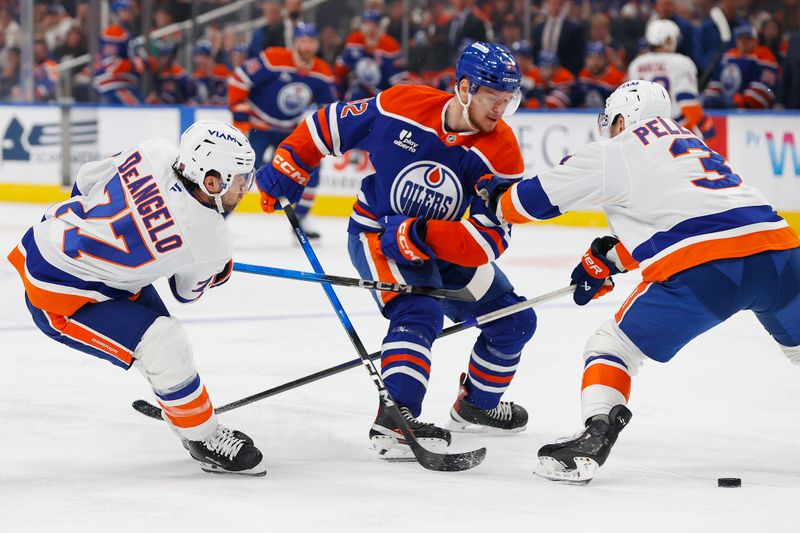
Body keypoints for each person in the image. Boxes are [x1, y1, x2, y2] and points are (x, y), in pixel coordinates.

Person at [478, 80, 800, 484]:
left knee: (612, 346)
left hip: (710, 271)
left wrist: (497, 199)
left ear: (620, 118)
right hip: (783, 255)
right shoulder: (692, 142)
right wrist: (610, 259)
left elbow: (531, 203)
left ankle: (595, 437)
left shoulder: (619, 148)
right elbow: (691, 219)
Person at [255, 42, 535, 460]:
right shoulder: (402, 104)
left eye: (507, 101)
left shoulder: (502, 151)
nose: (500, 110)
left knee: (513, 321)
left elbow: (490, 241)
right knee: (419, 312)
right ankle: (396, 419)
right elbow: (327, 126)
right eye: (493, 98)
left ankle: (477, 403)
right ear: (463, 87)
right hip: (375, 234)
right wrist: (291, 164)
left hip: (442, 246)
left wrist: (420, 233)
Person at [7, 120, 266, 477]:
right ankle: (203, 438)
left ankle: (181, 409)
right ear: (211, 179)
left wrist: (95, 234)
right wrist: (217, 270)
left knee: (161, 344)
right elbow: (186, 293)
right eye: (239, 179)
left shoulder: (154, 151)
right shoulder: (211, 239)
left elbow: (84, 181)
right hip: (59, 295)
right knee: (163, 341)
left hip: (51, 241)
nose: (243, 188)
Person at [228, 22, 335, 237]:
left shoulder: (322, 71)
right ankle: (216, 218)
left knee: (308, 168)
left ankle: (301, 222)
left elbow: (327, 107)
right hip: (258, 126)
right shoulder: (273, 58)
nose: (307, 45)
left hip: (288, 129)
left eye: (311, 41)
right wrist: (241, 119)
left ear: (317, 44)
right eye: (303, 40)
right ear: (294, 42)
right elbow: (238, 79)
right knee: (241, 173)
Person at [628, 19, 715, 139]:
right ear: (667, 39)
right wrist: (703, 125)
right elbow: (686, 99)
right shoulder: (682, 62)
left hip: (643, 131)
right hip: (674, 128)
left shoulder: (636, 65)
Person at [334, 10, 407, 101]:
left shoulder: (391, 46)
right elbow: (340, 72)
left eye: (374, 25)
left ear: (380, 27)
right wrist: (337, 97)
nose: (370, 28)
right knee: (354, 90)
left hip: (381, 94)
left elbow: (398, 80)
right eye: (367, 24)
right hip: (357, 92)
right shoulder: (354, 40)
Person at [703, 24, 778, 109]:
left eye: (747, 39)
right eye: (740, 39)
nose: (743, 43)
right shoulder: (728, 55)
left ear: (756, 40)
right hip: (727, 102)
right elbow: (716, 81)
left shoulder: (764, 55)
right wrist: (711, 98)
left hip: (752, 112)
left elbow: (767, 89)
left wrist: (740, 102)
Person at [576, 41, 626, 108]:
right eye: (590, 57)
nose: (595, 62)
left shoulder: (618, 76)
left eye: (599, 57)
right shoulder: (584, 74)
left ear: (605, 59)